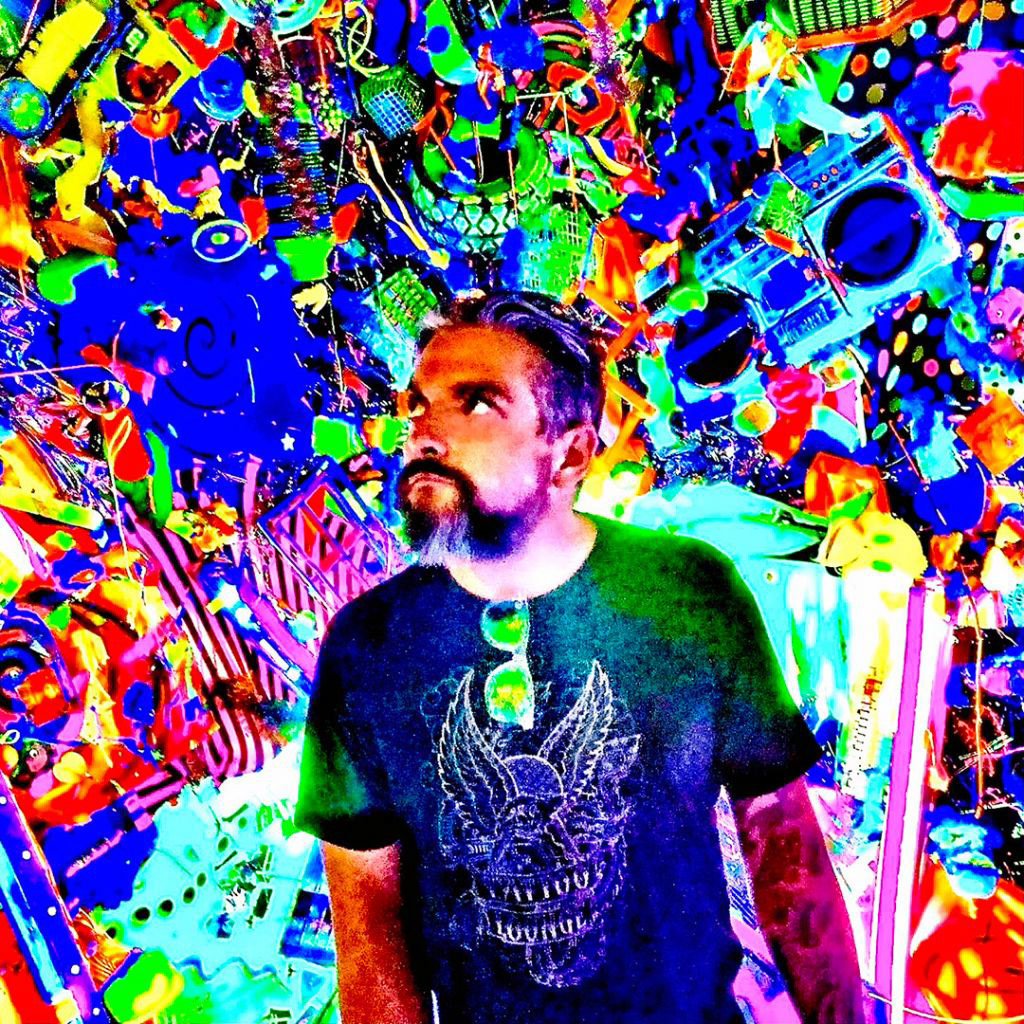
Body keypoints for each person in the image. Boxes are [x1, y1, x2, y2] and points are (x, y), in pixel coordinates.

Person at [295, 292, 866, 1024]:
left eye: (476, 403)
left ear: (569, 454)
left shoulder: (688, 591)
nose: (424, 433)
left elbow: (784, 846)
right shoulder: (365, 646)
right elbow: (368, 928)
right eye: (419, 405)